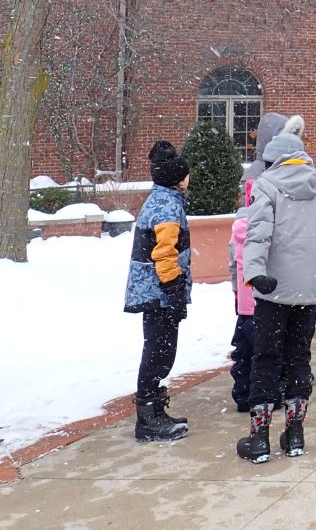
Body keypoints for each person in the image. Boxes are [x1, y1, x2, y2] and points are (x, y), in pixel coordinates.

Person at [236, 119, 316, 463]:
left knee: (265, 359)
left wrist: (255, 273)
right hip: (307, 291)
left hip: (274, 290)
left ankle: (259, 438)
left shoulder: (266, 185)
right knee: (299, 360)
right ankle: (295, 434)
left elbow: (258, 233)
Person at [124, 141, 192, 442]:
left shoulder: (164, 199)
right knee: (158, 353)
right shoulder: (166, 206)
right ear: (178, 178)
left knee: (160, 351)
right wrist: (175, 288)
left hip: (156, 292)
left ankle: (154, 410)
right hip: (159, 293)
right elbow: (164, 253)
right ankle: (148, 418)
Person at [228, 112, 292, 409]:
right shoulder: (260, 176)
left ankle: (247, 390)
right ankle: (262, 390)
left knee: (248, 345)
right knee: (263, 346)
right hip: (260, 293)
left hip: (247, 295)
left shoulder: (243, 226)